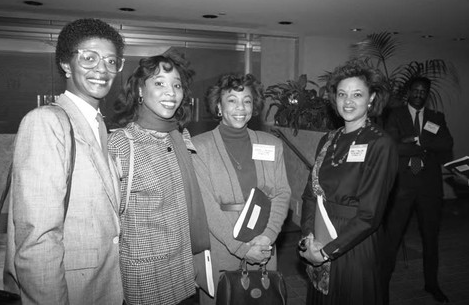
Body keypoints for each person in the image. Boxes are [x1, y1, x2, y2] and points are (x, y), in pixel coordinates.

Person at [3, 18, 125, 304]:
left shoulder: (97, 125)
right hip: (67, 289)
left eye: (111, 60)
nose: (102, 69)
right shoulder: (46, 122)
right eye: (89, 58)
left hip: (103, 286)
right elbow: (37, 238)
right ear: (66, 65)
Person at [108, 52, 210, 305]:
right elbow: (105, 219)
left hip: (185, 267)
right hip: (146, 273)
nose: (171, 92)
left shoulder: (180, 138)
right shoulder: (121, 144)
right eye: (159, 83)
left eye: (176, 85)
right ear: (140, 90)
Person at [299, 60, 398, 305]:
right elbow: (310, 195)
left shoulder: (380, 144)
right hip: (320, 236)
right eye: (342, 94)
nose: (348, 101)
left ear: (371, 98)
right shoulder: (328, 140)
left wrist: (325, 252)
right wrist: (309, 239)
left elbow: (369, 216)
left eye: (357, 94)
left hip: (355, 244)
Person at [191, 73, 291, 304]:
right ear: (218, 105)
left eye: (246, 100)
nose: (240, 107)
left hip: (263, 242)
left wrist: (267, 237)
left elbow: (282, 193)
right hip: (220, 244)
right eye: (232, 100)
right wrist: (241, 247)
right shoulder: (198, 147)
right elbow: (205, 206)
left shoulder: (271, 144)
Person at [384, 76, 453, 303]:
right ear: (409, 92)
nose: (419, 94)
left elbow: (446, 144)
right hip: (401, 187)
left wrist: (415, 143)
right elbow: (392, 146)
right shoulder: (396, 115)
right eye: (415, 90)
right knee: (391, 239)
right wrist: (420, 147)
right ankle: (381, 285)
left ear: (427, 94)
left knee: (431, 239)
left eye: (423, 91)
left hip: (429, 188)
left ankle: (432, 284)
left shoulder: (437, 118)